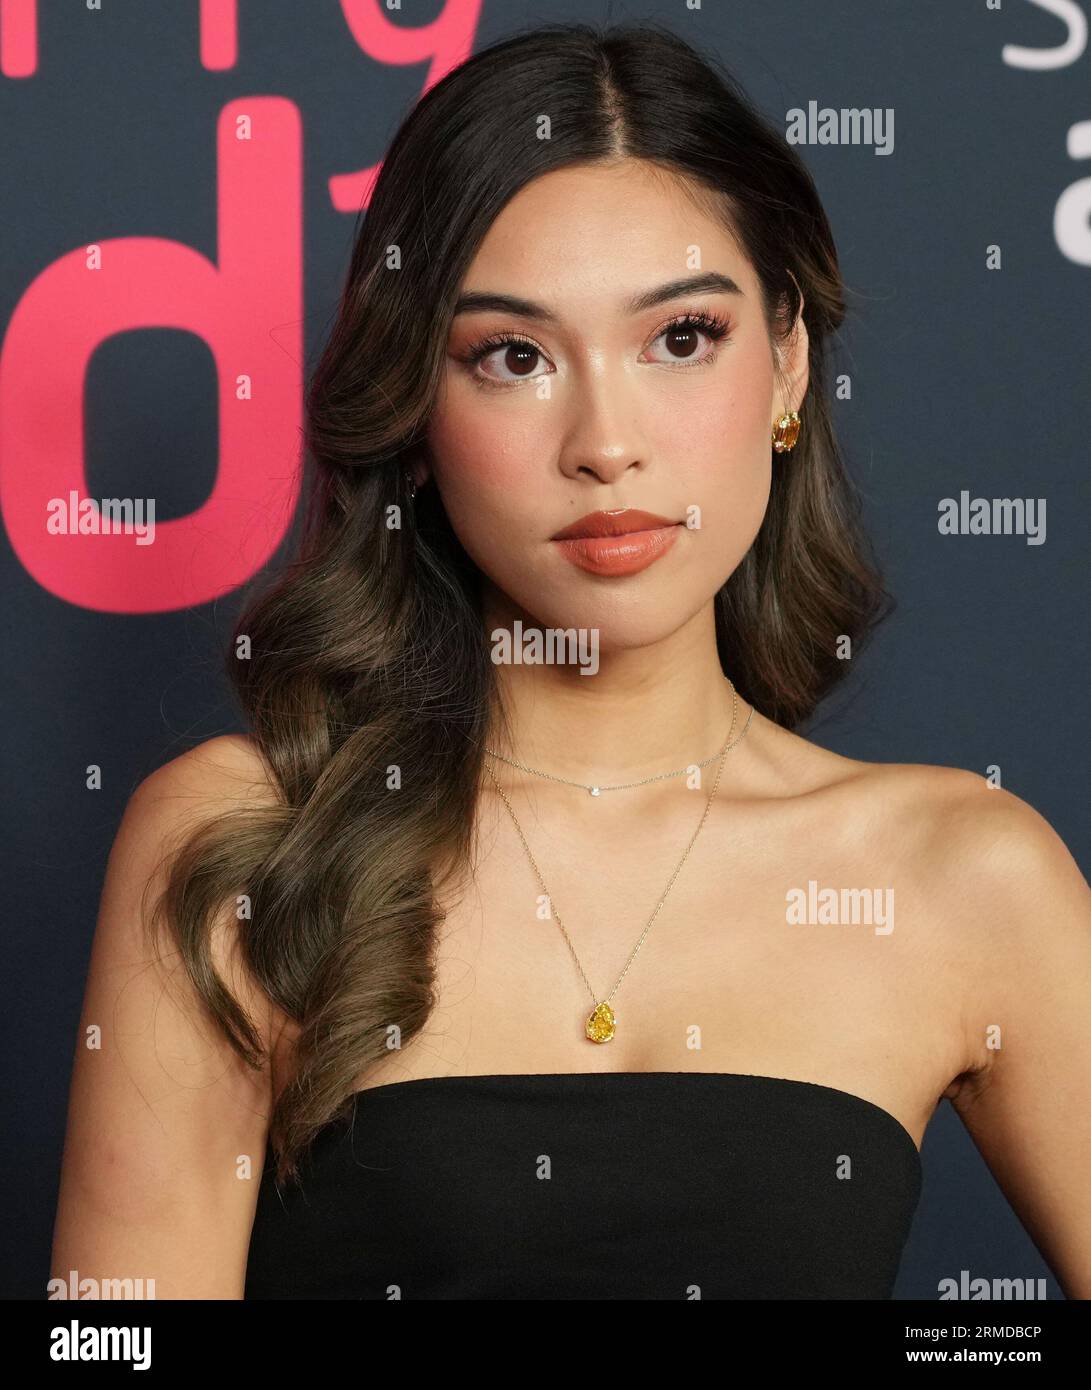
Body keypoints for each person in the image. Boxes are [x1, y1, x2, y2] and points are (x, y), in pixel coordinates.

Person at [51, 21, 1091, 1300]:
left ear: (787, 365)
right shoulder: (248, 840)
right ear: (417, 416)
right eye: (513, 356)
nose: (605, 441)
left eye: (680, 339)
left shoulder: (964, 873)